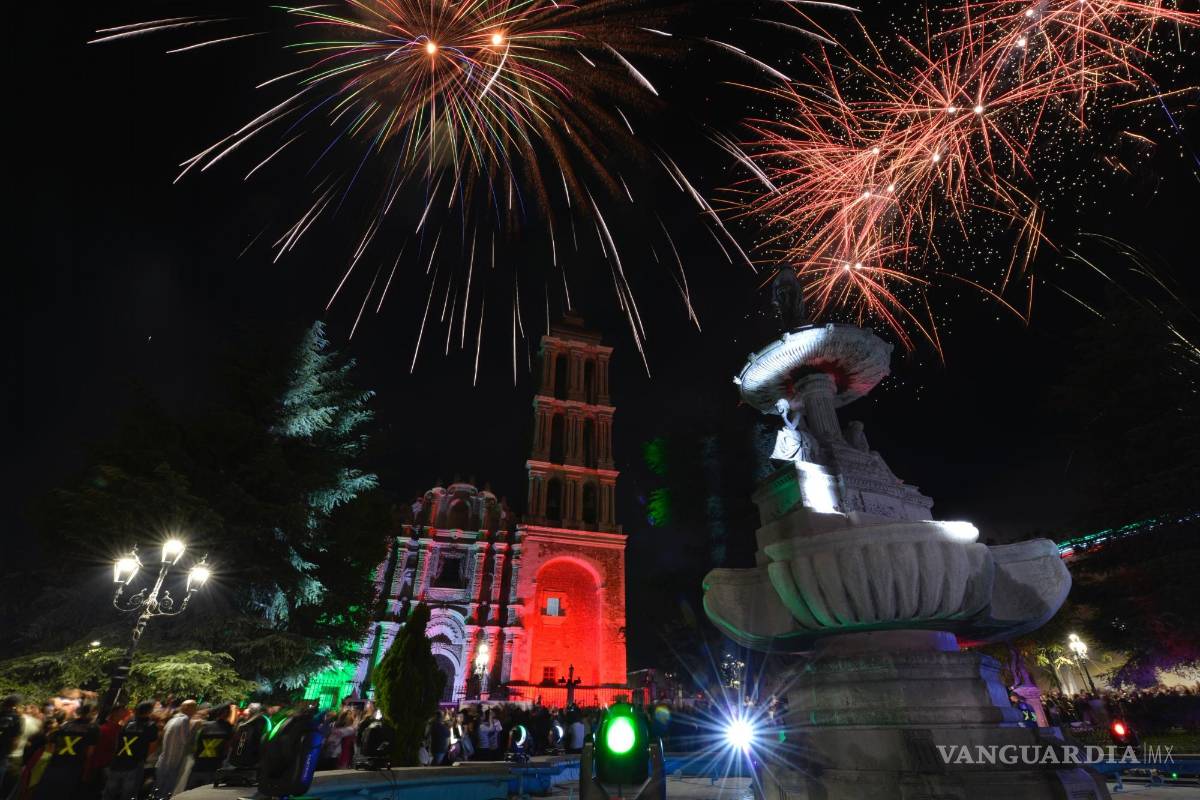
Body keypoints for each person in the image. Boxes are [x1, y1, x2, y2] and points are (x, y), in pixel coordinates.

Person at [34, 703, 100, 800]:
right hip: (74, 766)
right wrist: (86, 772)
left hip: (55, 763)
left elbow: (51, 745)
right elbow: (89, 753)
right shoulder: (93, 728)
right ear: (94, 713)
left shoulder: (66, 725)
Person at [102, 701, 158, 800]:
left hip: (118, 761)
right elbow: (152, 746)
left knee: (110, 791)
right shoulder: (151, 726)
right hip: (134, 763)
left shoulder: (127, 723)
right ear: (150, 711)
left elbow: (117, 741)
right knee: (128, 793)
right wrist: (143, 758)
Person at [186, 703, 236, 789]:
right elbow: (228, 748)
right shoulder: (229, 729)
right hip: (214, 768)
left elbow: (194, 746)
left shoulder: (204, 726)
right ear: (226, 713)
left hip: (198, 767)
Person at [153, 700, 197, 797]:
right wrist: (194, 729)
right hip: (173, 761)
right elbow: (185, 740)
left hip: (163, 760)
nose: (195, 710)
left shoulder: (172, 719)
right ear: (188, 709)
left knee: (157, 789)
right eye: (194, 708)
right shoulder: (184, 719)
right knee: (166, 791)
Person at [1, 695, 22, 799]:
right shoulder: (16, 718)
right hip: (3, 752)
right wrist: (11, 752)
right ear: (14, 705)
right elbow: (15, 739)